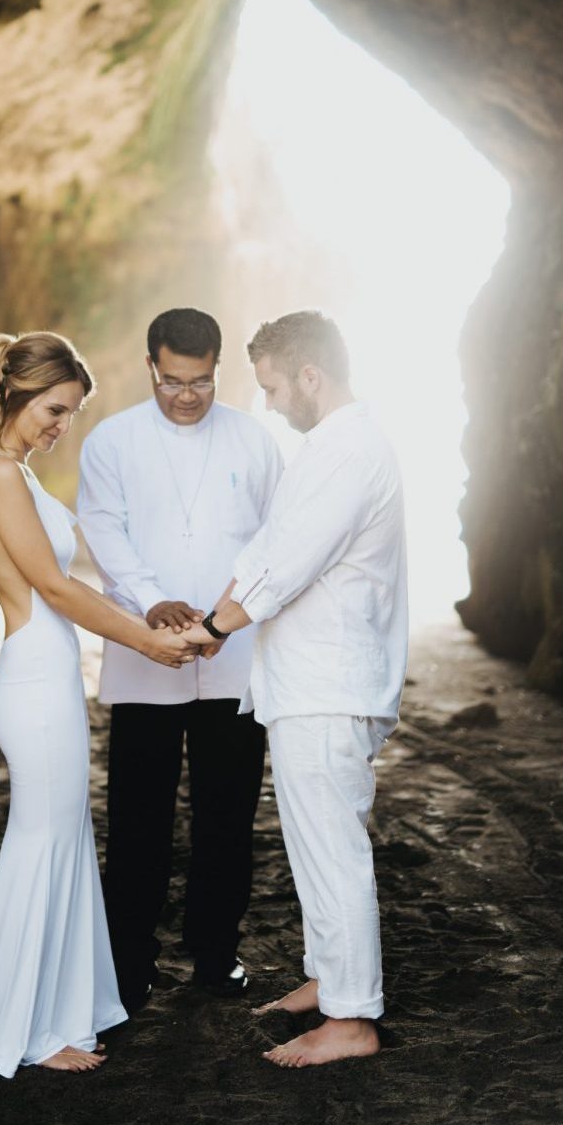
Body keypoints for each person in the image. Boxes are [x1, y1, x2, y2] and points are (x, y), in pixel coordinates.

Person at [0, 331, 195, 1078]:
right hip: (35, 680)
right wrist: (146, 642)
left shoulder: (7, 469)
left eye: (73, 412)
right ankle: (19, 1028)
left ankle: (51, 1012)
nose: (62, 424)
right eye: (54, 407)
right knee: (40, 842)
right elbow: (53, 588)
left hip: (48, 677)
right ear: (16, 393)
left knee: (62, 838)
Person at [181, 311, 408, 1068]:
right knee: (312, 845)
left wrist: (211, 629)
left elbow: (290, 563)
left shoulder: (350, 450)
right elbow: (264, 551)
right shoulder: (326, 449)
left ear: (310, 375)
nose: (270, 401)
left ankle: (350, 1019)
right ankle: (327, 978)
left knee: (332, 848)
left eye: (274, 385)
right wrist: (211, 614)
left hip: (328, 678)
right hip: (304, 678)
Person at [76, 308, 283, 1012]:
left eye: (199, 380)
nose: (186, 394)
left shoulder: (255, 441)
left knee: (226, 817)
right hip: (143, 657)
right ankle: (129, 963)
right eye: (172, 381)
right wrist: (152, 601)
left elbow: (273, 543)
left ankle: (214, 954)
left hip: (233, 661)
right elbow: (103, 529)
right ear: (149, 367)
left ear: (216, 368)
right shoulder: (112, 441)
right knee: (138, 820)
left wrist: (228, 614)